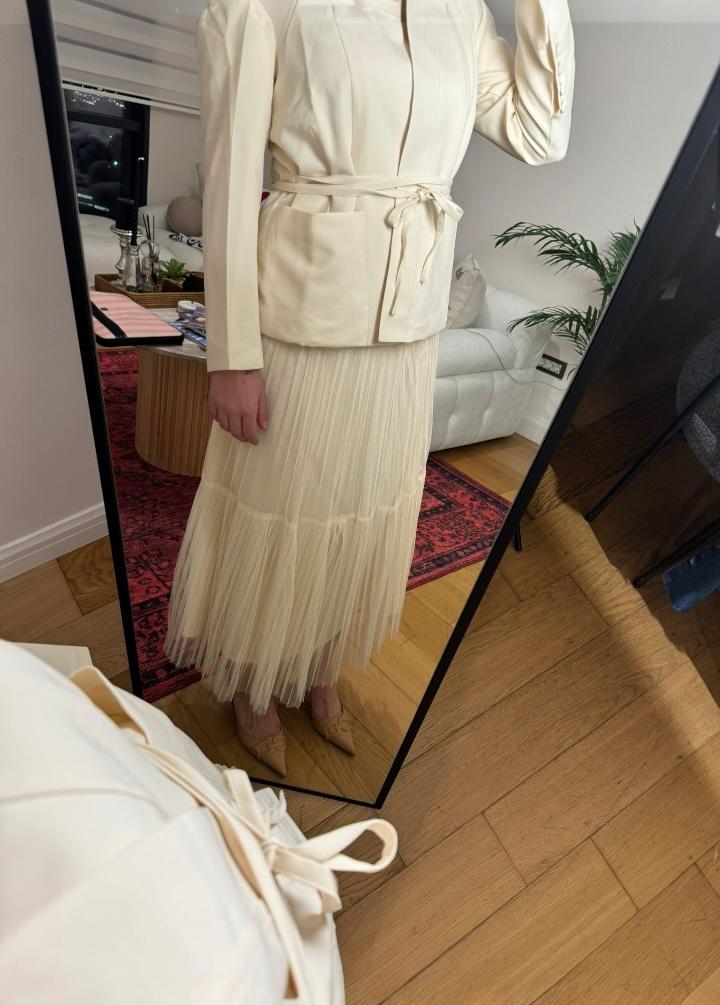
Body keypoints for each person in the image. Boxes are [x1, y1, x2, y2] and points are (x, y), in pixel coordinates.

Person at [164, 0, 575, 776]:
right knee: (282, 510)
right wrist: (232, 356)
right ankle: (253, 679)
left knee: (364, 511)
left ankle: (318, 663)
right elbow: (230, 181)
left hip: (411, 325)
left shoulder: (460, 13)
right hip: (302, 318)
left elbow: (539, 133)